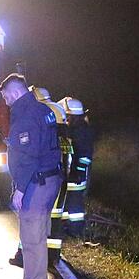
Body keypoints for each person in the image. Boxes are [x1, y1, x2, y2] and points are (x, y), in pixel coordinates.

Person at [0, 74, 62, 279]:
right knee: (38, 236)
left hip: (37, 182)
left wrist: (20, 188)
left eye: (6, 96)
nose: (5, 101)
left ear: (15, 93)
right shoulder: (42, 110)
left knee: (32, 238)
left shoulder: (25, 116)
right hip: (50, 178)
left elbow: (28, 156)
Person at [34, 85, 70, 264]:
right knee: (55, 217)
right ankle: (53, 256)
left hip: (49, 177)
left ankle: (37, 257)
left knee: (38, 216)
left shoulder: (42, 113)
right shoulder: (59, 114)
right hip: (62, 175)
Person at [59, 96, 94, 238]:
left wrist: (79, 171)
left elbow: (85, 154)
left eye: (67, 116)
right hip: (72, 171)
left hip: (77, 173)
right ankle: (69, 226)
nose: (66, 119)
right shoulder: (75, 129)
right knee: (70, 200)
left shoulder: (81, 131)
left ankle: (76, 230)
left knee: (75, 202)